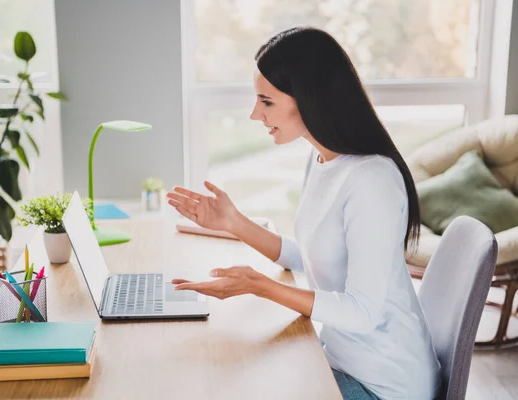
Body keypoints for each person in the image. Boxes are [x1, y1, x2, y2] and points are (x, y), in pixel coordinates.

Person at [167, 27, 440, 400]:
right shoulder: (323, 158)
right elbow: (313, 257)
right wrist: (233, 222)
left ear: (310, 99)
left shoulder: (372, 181)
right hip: (344, 361)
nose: (254, 114)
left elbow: (363, 312)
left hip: (384, 384)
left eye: (266, 101)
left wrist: (259, 286)